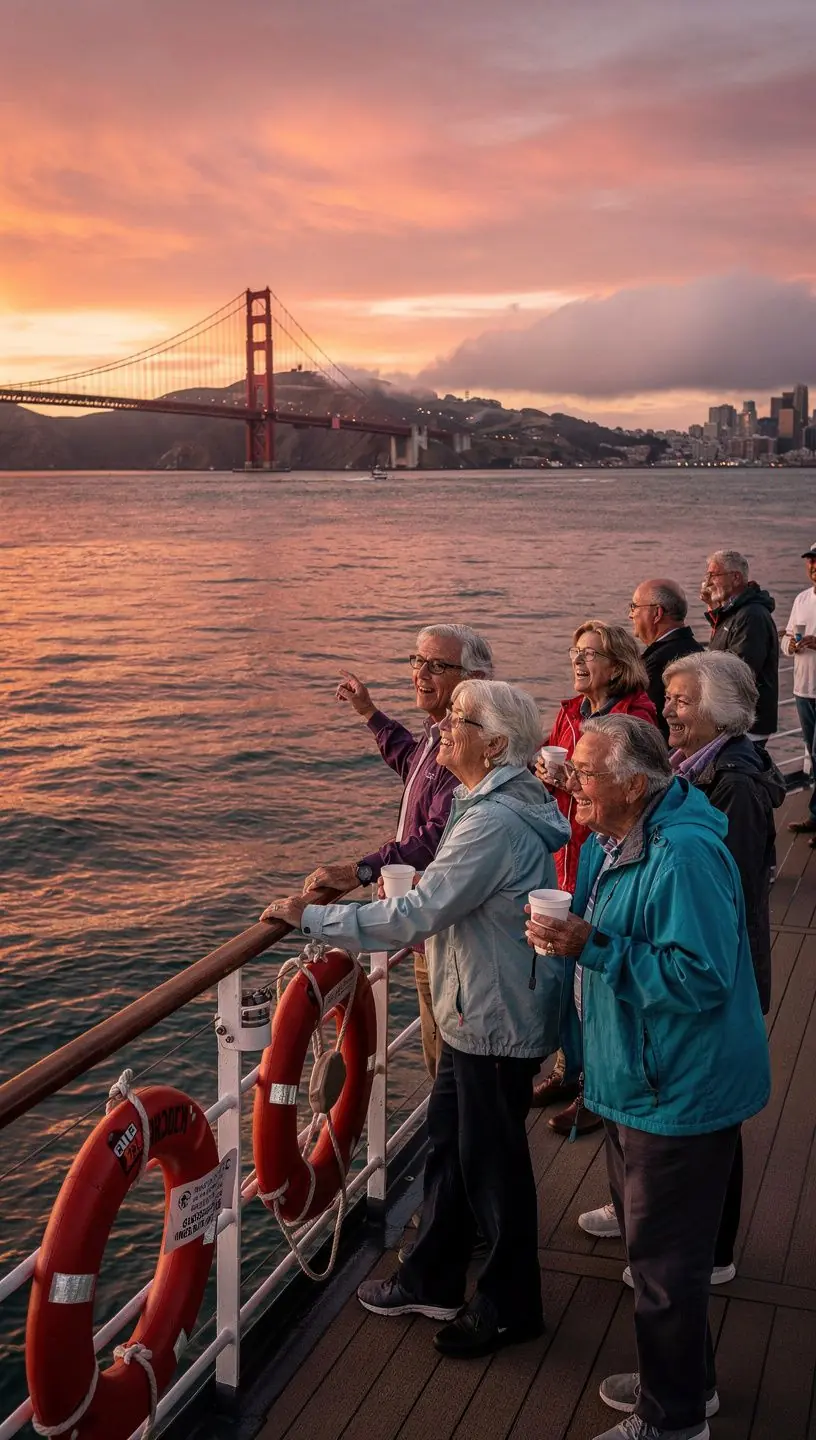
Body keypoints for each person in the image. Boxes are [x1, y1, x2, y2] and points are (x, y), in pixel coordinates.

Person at [262, 680, 570, 1358]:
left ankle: (511, 1305)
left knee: (494, 1168)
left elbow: (417, 912)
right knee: (453, 1149)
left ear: (494, 745)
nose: (443, 730)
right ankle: (432, 1275)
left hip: (492, 1012)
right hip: (476, 1007)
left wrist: (312, 918)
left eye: (459, 720)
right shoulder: (485, 800)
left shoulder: (490, 821)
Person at [526, 714, 770, 1440]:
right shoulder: (625, 833)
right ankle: (686, 1384)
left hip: (676, 1086)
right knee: (655, 1252)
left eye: (585, 774)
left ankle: (672, 1421)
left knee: (665, 1268)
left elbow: (699, 978)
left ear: (634, 784)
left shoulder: (683, 855)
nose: (572, 785)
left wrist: (591, 945)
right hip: (642, 1076)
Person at [579, 653, 783, 1274]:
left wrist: (593, 943)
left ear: (720, 711)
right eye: (667, 698)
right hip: (659, 1042)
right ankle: (661, 1225)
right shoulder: (683, 778)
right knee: (689, 1144)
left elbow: (726, 905)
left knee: (708, 1132)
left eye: (683, 700)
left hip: (697, 1023)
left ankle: (707, 1250)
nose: (667, 708)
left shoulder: (727, 794)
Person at [304, 623, 493, 1080]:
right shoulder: (439, 733)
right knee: (445, 1060)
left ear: (473, 678)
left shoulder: (465, 745)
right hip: (431, 928)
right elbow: (411, 762)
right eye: (416, 660)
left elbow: (433, 837)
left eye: (437, 664)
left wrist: (361, 871)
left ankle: (459, 1144)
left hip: (444, 932)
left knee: (451, 1065)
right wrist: (370, 712)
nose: (420, 672)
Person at [532, 621, 657, 1131]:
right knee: (565, 969)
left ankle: (596, 1091)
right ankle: (569, 1067)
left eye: (590, 653)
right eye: (575, 652)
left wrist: (572, 781)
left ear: (618, 663)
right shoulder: (571, 712)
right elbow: (547, 756)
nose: (578, 661)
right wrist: (547, 771)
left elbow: (639, 784)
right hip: (568, 854)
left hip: (608, 852)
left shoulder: (636, 717)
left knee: (596, 971)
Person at [702, 549, 779, 741]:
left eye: (713, 575)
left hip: (747, 720)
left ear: (736, 578)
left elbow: (741, 669)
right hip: (737, 717)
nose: (708, 581)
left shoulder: (751, 615)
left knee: (742, 768)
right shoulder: (736, 611)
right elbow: (727, 643)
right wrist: (713, 609)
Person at [628, 579, 704, 740]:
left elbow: (648, 723)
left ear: (657, 613)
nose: (630, 615)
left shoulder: (658, 662)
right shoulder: (696, 650)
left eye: (634, 607)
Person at [782, 541, 816, 844]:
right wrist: (790, 645)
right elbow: (788, 637)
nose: (814, 567)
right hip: (803, 689)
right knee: (814, 754)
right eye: (811, 562)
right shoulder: (802, 599)